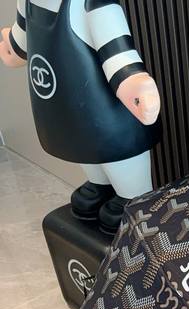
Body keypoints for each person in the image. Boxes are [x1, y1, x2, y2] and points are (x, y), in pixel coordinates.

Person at [0, 0, 161, 234]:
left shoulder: (92, 3)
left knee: (115, 150)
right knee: (80, 141)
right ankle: (100, 185)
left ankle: (133, 196)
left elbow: (114, 45)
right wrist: (13, 48)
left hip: (104, 106)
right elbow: (22, 36)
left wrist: (131, 79)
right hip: (67, 103)